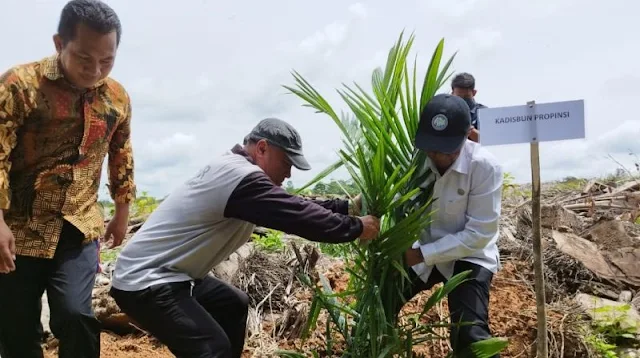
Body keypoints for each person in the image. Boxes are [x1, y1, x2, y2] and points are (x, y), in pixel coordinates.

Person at [109, 117, 381, 358]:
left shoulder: (240, 173)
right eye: (287, 163)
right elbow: (297, 216)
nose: (289, 173)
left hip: (175, 276)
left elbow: (291, 204)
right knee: (211, 349)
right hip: (145, 281)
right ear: (262, 148)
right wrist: (356, 227)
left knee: (233, 304)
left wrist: (346, 207)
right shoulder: (241, 177)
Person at [0, 1, 135, 357]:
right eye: (84, 58)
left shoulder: (117, 97)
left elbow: (121, 152)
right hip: (18, 226)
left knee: (76, 316)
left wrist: (122, 211)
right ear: (60, 43)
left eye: (107, 60)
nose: (95, 70)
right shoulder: (20, 85)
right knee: (16, 326)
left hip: (79, 225)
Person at [401, 93, 503, 357]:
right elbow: (394, 197)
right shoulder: (418, 161)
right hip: (423, 249)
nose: (436, 155)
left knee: (470, 333)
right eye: (431, 147)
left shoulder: (484, 166)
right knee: (383, 297)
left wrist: (422, 254)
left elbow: (480, 234)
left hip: (470, 255)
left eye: (446, 149)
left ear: (467, 136)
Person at [451, 72, 487, 143]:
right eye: (458, 97)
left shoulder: (483, 113)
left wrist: (467, 128)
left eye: (466, 97)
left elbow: (488, 140)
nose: (462, 101)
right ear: (452, 94)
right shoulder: (447, 112)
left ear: (474, 92)